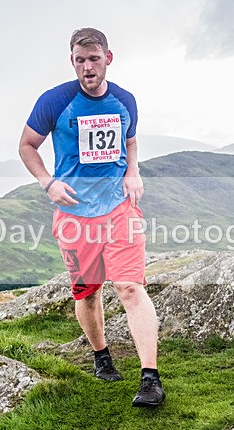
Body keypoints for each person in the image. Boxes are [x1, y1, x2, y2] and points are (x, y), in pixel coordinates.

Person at [18, 27, 164, 408]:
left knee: (130, 288)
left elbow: (130, 139)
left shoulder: (125, 100)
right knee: (88, 291)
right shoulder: (54, 101)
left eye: (94, 59)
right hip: (75, 217)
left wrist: (133, 171)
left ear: (108, 59)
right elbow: (27, 145)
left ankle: (151, 379)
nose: (87, 67)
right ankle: (101, 357)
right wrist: (47, 182)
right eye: (80, 60)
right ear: (72, 62)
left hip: (119, 210)